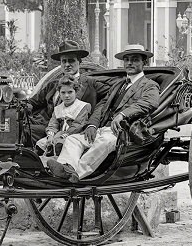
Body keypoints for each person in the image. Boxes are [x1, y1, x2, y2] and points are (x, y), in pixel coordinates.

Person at [49, 44, 160, 181]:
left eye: (135, 59)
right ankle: (66, 167)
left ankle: (76, 174)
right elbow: (102, 105)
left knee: (105, 141)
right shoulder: (119, 85)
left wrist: (123, 114)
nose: (130, 63)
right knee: (73, 139)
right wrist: (92, 125)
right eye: (127, 59)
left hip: (123, 132)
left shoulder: (149, 85)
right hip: (103, 128)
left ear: (144, 62)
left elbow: (150, 103)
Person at [26, 40, 103, 143]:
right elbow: (33, 101)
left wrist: (92, 124)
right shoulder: (52, 85)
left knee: (26, 131)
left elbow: (105, 102)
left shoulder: (90, 83)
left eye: (71, 61)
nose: (67, 65)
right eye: (64, 61)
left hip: (74, 129)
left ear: (79, 62)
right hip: (48, 126)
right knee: (19, 127)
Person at [36, 76, 92, 156]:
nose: (66, 96)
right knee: (41, 143)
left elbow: (78, 125)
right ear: (59, 93)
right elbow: (53, 124)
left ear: (76, 92)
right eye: (63, 92)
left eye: (70, 92)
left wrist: (61, 136)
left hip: (74, 134)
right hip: (59, 134)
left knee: (60, 144)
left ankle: (59, 161)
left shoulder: (82, 106)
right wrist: (50, 136)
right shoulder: (58, 108)